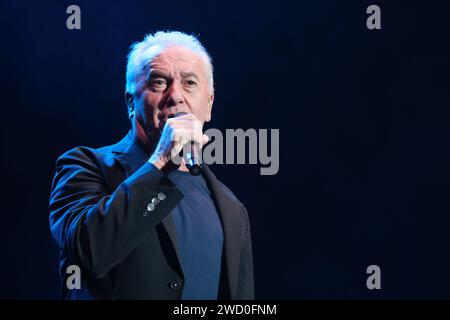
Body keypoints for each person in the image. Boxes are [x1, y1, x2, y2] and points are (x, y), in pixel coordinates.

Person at [48, 31, 254, 300]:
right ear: (130, 102)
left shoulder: (231, 208)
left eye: (190, 83)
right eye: (159, 82)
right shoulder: (86, 166)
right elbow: (91, 251)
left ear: (209, 105)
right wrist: (161, 161)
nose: (175, 96)